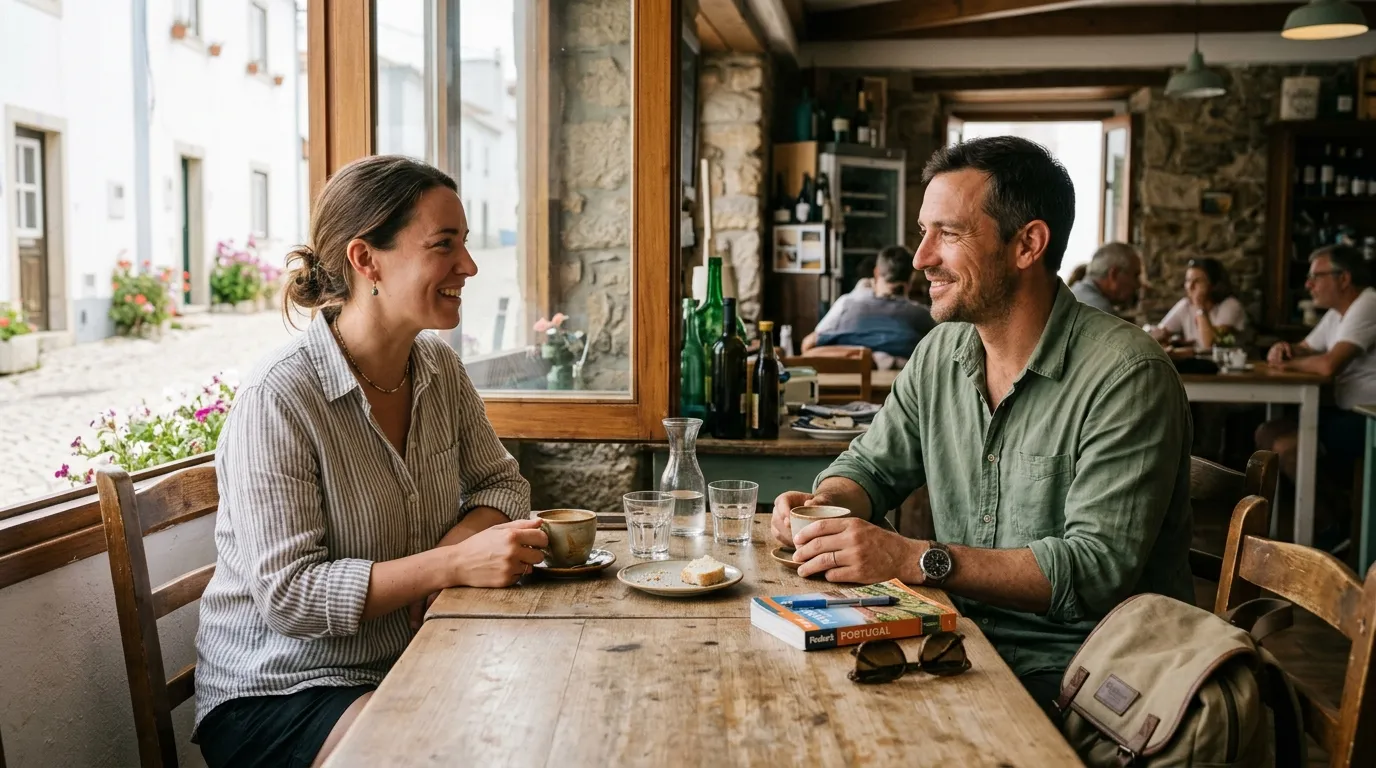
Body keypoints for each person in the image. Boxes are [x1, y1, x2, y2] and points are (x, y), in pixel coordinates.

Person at [771, 136, 1193, 715]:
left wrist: (912, 558)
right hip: (955, 645)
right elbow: (870, 466)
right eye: (924, 232)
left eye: (948, 234)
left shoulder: (1128, 375)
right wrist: (823, 508)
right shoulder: (941, 350)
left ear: (1028, 244)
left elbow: (1095, 569)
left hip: (1086, 677)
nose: (920, 258)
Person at [194, 155, 542, 768]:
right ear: (366, 259)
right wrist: (449, 564)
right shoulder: (278, 396)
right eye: (444, 245)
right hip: (284, 690)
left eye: (465, 245)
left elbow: (502, 484)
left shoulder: (439, 368)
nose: (469, 266)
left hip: (412, 657)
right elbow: (290, 595)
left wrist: (452, 558)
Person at [1257, 245, 1376, 534]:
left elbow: (1327, 366)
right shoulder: (1337, 313)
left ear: (1344, 279)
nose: (1308, 284)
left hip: (1370, 421)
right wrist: (1285, 349)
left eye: (1316, 276)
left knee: (1287, 447)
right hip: (1345, 413)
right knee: (1267, 432)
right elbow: (1306, 348)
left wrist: (1288, 364)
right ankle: (1331, 516)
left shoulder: (1368, 303)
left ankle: (1332, 525)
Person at [801, 245, 936, 367]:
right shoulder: (921, 315)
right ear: (911, 279)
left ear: (876, 273)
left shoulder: (846, 304)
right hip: (894, 388)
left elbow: (808, 344)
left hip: (841, 387)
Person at [1150, 258, 1248, 350]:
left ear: (1213, 285)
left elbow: (1210, 345)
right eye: (1188, 281)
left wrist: (1200, 307)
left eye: (1197, 281)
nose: (1191, 286)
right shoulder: (1185, 305)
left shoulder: (1230, 305)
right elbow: (1158, 333)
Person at [1070, 242, 1142, 315]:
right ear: (1114, 274)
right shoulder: (1100, 311)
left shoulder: (1075, 292)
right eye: (1135, 275)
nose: (1138, 285)